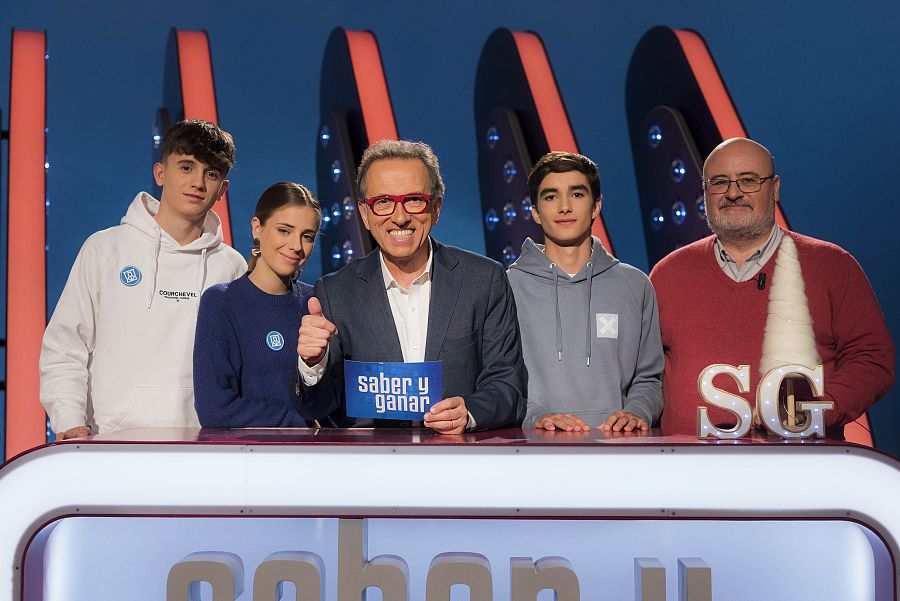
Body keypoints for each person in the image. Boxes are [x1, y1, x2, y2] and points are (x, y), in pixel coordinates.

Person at [649, 137, 895, 436]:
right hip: (690, 470)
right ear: (704, 191)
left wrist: (812, 410)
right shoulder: (668, 273)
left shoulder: (832, 265)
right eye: (719, 182)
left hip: (800, 469)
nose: (733, 193)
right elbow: (644, 374)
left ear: (774, 188)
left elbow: (872, 359)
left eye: (749, 180)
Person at [295, 139, 526, 433]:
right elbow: (317, 407)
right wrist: (313, 364)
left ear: (436, 207)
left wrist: (470, 413)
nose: (400, 216)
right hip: (371, 468)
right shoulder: (335, 292)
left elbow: (508, 385)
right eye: (383, 202)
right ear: (365, 214)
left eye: (414, 200)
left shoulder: (485, 280)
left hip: (458, 464)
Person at [39, 120, 246, 439]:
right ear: (160, 173)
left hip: (203, 449)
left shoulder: (231, 266)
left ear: (223, 189)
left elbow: (243, 364)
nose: (198, 182)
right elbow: (66, 344)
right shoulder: (105, 248)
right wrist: (69, 419)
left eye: (211, 173)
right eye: (186, 167)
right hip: (112, 442)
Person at [507, 152, 663, 433]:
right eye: (551, 197)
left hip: (616, 449)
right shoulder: (506, 287)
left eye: (577, 194)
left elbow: (649, 377)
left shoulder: (635, 285)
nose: (564, 207)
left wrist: (637, 411)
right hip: (532, 451)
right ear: (535, 211)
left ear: (596, 206)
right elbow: (499, 380)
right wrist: (536, 416)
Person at [193, 183, 321, 427]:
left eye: (307, 236)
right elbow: (215, 409)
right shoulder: (221, 302)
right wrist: (300, 422)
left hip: (312, 459)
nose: (296, 245)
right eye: (284, 230)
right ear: (257, 228)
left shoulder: (315, 302)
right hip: (246, 458)